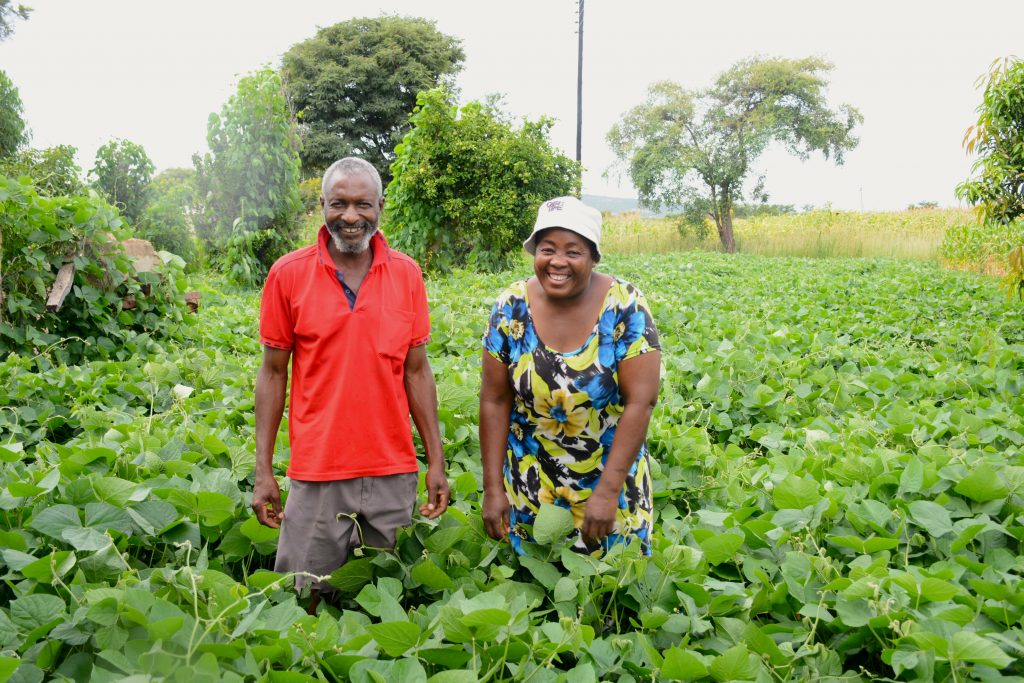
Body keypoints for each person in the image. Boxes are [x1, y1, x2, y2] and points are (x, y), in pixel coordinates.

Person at [252, 157, 449, 611]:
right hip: (317, 470)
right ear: (322, 205)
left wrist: (435, 461)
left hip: (393, 470)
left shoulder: (406, 274)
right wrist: (264, 471)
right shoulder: (288, 273)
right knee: (303, 599)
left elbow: (416, 371)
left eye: (363, 204)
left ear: (380, 206)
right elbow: (273, 372)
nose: (351, 216)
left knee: (392, 598)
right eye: (338, 203)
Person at [479, 196, 661, 555]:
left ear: (593, 257)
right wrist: (493, 489)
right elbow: (494, 398)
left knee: (611, 594)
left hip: (611, 485)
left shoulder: (624, 305)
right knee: (537, 591)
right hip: (529, 486)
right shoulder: (511, 305)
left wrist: (608, 491)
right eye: (547, 249)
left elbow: (642, 401)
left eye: (573, 251)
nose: (557, 261)